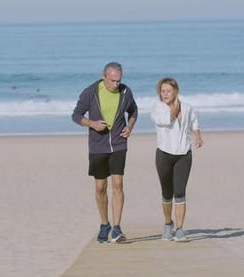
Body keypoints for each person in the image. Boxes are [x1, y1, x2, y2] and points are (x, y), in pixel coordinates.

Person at [72, 62, 138, 243]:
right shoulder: (91, 92)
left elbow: (134, 111)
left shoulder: (125, 92)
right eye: (112, 81)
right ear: (104, 76)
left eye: (118, 81)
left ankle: (117, 228)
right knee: (100, 187)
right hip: (97, 146)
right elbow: (76, 115)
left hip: (118, 145)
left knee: (118, 184)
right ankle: (104, 224)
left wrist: (129, 127)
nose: (116, 84)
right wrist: (92, 124)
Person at [150, 77, 203, 242]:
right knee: (167, 193)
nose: (164, 94)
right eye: (162, 91)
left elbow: (194, 122)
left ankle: (180, 229)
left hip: (184, 154)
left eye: (168, 91)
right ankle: (168, 224)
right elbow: (166, 120)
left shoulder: (187, 107)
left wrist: (198, 137)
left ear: (175, 91)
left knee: (180, 192)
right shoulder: (157, 108)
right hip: (164, 154)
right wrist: (176, 106)